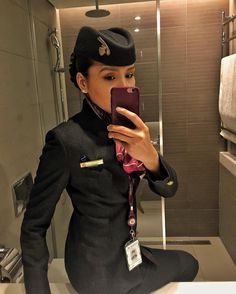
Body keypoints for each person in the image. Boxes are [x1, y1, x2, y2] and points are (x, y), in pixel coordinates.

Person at [20, 26, 199, 294]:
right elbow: (33, 227)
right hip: (94, 271)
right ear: (83, 83)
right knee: (187, 264)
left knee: (189, 263)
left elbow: (170, 189)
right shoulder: (66, 141)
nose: (125, 86)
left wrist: (149, 155)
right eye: (110, 77)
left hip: (127, 252)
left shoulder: (134, 132)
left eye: (129, 74)